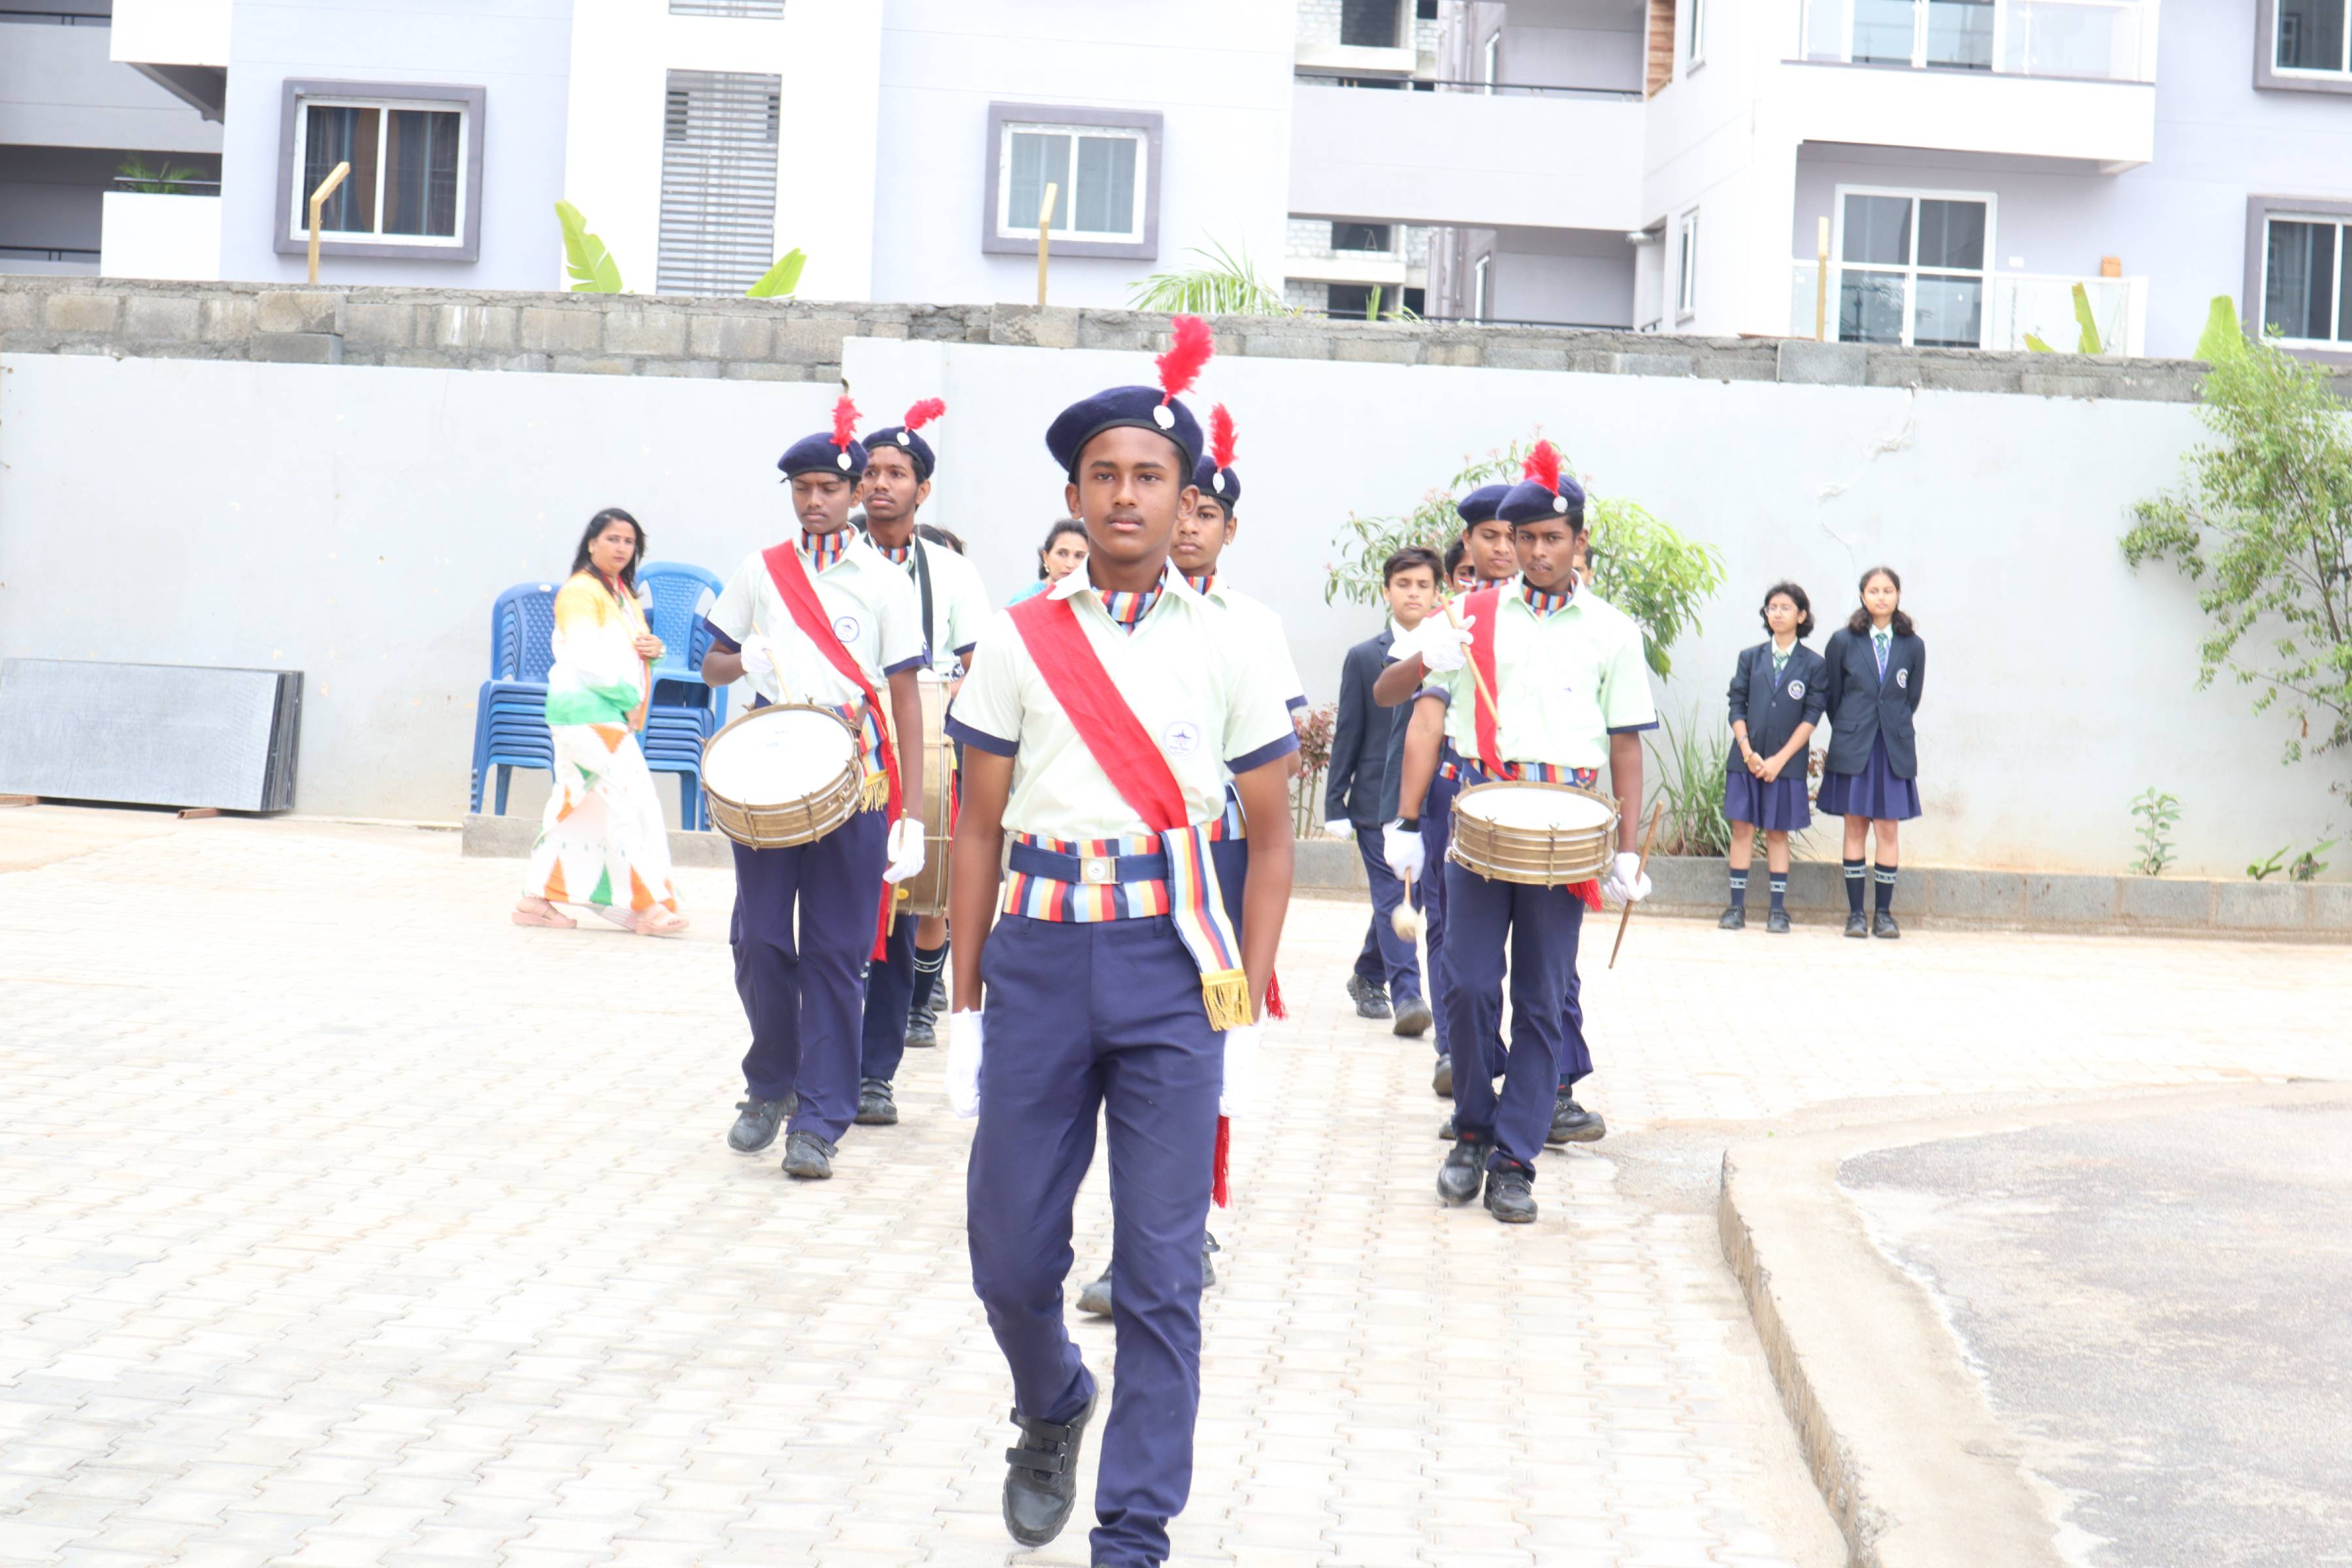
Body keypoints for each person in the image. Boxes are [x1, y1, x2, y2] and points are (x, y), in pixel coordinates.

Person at [943, 318, 1298, 1566]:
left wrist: (1245, 1005)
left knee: (1160, 1275)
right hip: (1038, 964)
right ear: (1075, 495)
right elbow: (975, 827)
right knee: (1007, 1254)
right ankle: (1051, 1402)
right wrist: (965, 1000)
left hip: (1171, 970)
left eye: (1151, 476)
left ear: (1186, 496)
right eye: (1105, 475)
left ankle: (1133, 1530)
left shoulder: (1240, 641)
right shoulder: (1014, 638)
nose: (1128, 495)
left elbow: (1269, 832)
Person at [1375, 441, 1655, 1224]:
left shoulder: (1613, 632)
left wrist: (1628, 847)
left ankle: (1514, 1156)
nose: (1535, 551)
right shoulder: (1468, 617)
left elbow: (1627, 742)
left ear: (1578, 543)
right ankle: (1471, 1125)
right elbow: (1393, 689)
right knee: (1465, 985)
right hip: (1479, 819)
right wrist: (1424, 650)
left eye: (1551, 538)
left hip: (1566, 833)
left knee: (1540, 999)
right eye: (1523, 537)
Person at [1073, 400, 1298, 1322]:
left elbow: (1266, 782)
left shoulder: (1248, 628)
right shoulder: (1093, 616)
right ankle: (1131, 1235)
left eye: (1207, 512)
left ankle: (1188, 1223)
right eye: (1187, 506)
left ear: (1225, 528)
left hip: (1224, 871)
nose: (1191, 524)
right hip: (1120, 881)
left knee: (1215, 1044)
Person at [698, 397, 928, 1182]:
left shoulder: (886, 582)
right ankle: (772, 1081)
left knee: (835, 952)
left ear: (856, 490)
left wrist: (915, 811)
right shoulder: (760, 570)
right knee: (758, 940)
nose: (813, 500)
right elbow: (713, 664)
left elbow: (905, 694)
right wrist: (747, 663)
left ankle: (820, 1120)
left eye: (828, 486)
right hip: (770, 773)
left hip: (856, 780)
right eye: (800, 488)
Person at [853, 399, 993, 1128]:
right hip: (836, 754)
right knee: (829, 923)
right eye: (871, 471)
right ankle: (820, 1064)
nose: (881, 484)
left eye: (897, 473)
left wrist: (960, 691)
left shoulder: (949, 572)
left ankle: (875, 1076)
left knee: (900, 915)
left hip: (915, 756)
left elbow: (981, 660)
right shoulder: (824, 563)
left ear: (922, 490)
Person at [1379, 482, 1512, 1102]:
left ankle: (1554, 1078)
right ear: (1469, 542)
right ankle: (1458, 1054)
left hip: (1539, 802)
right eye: (1492, 535)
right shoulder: (1453, 621)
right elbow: (1419, 719)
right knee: (1452, 934)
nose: (1508, 548)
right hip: (1459, 798)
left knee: (1545, 952)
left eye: (1521, 536)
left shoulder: (1565, 618)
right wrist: (1406, 821)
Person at [514, 508, 689, 938]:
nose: (621, 548)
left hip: (608, 715)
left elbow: (625, 649)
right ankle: (647, 907)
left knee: (578, 805)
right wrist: (629, 697)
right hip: (586, 715)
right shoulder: (580, 592)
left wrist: (654, 649)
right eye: (612, 539)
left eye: (629, 542)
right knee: (628, 804)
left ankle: (535, 900)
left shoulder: (621, 594)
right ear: (591, 543)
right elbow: (584, 656)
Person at [1322, 546, 1441, 1036]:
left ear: (1437, 594)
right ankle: (1409, 995)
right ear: (1387, 591)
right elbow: (1348, 730)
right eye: (1404, 584)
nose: (1413, 593)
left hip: (1430, 800)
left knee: (1414, 897)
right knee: (1395, 896)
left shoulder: (1449, 653)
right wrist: (1335, 803)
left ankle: (1369, 972)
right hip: (1374, 802)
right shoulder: (1364, 657)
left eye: (1423, 585)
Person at [1819, 566, 1925, 939]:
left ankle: (1883, 914)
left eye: (1888, 590)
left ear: (1898, 595)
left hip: (1892, 747)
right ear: (1863, 596)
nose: (1881, 596)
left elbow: (1910, 699)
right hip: (1854, 745)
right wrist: (1854, 724)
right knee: (1855, 825)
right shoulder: (1844, 641)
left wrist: (1886, 722)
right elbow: (1832, 698)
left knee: (1888, 828)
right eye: (1874, 590)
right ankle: (1855, 915)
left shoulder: (1913, 645)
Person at [1720, 583, 1828, 934]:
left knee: (1778, 832)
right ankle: (1736, 908)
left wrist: (1779, 760)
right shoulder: (1750, 657)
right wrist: (1747, 751)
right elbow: (1737, 704)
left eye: (1785, 607)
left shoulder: (1813, 664)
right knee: (1742, 829)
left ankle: (1778, 911)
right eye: (1771, 607)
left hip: (1787, 764)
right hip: (1746, 761)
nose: (1777, 613)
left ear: (1801, 615)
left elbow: (1812, 716)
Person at [1009, 517, 1089, 604]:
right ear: (1046, 557)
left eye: (1079, 556)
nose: (1070, 564)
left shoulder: (1097, 602)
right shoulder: (1024, 602)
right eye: (1062, 554)